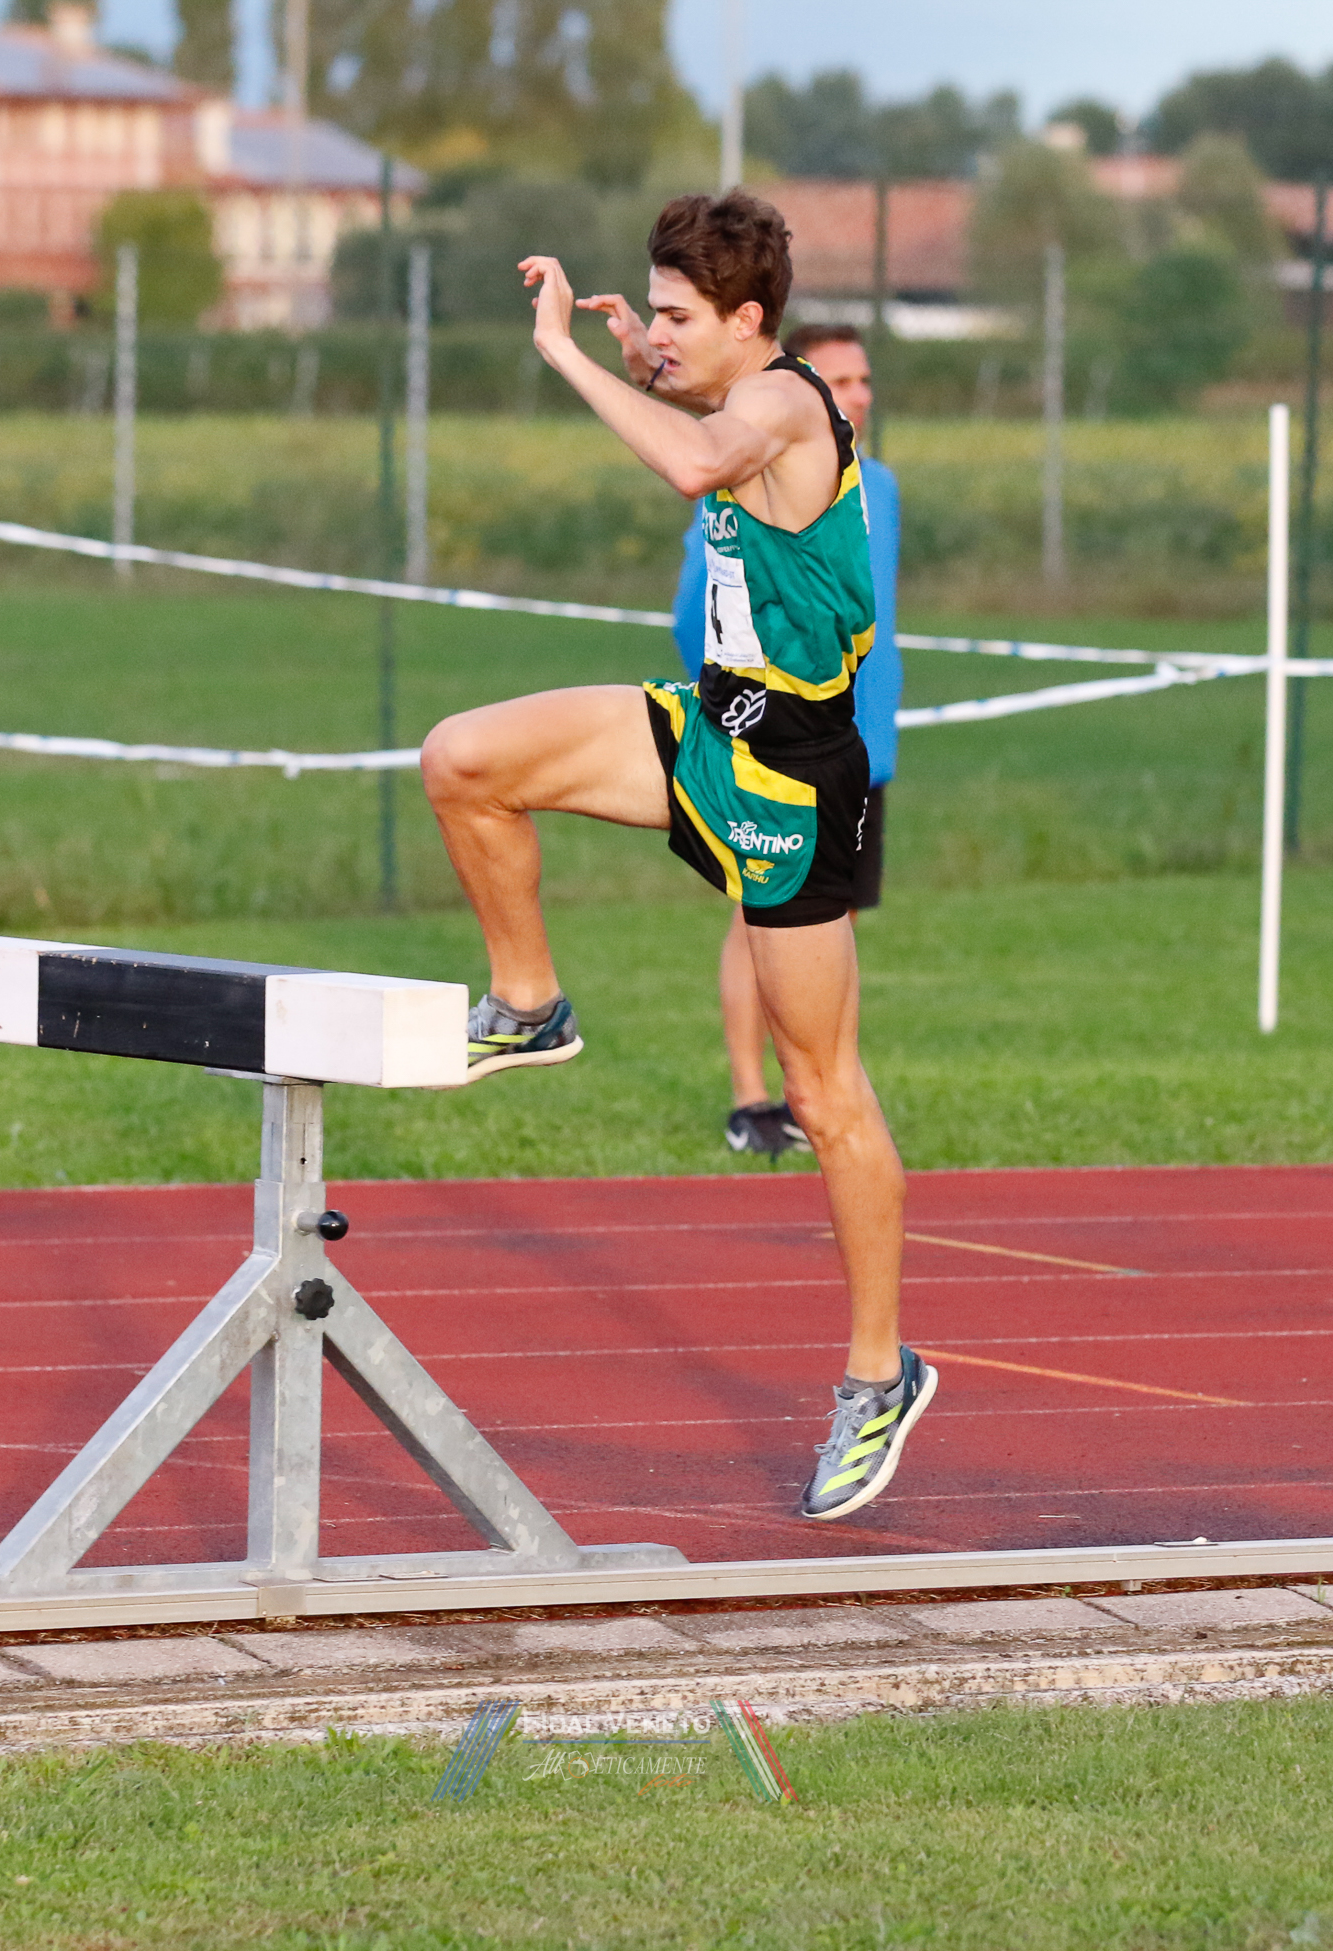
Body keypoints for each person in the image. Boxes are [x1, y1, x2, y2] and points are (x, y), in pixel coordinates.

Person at [419, 191, 937, 1523]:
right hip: (707, 729)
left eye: (675, 315)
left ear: (749, 320)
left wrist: (562, 353)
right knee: (463, 760)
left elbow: (700, 462)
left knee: (822, 1092)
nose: (655, 332)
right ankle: (529, 1000)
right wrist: (638, 354)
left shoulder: (787, 405)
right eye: (651, 310)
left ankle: (878, 1374)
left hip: (796, 783)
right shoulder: (731, 389)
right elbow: (694, 418)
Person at [671, 324, 899, 1159]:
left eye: (864, 378)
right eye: (839, 379)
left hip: (860, 744)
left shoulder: (877, 484)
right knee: (756, 918)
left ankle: (821, 1095)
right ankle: (752, 1100)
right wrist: (744, 713)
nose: (857, 394)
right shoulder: (747, 482)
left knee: (829, 924)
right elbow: (696, 613)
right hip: (773, 744)